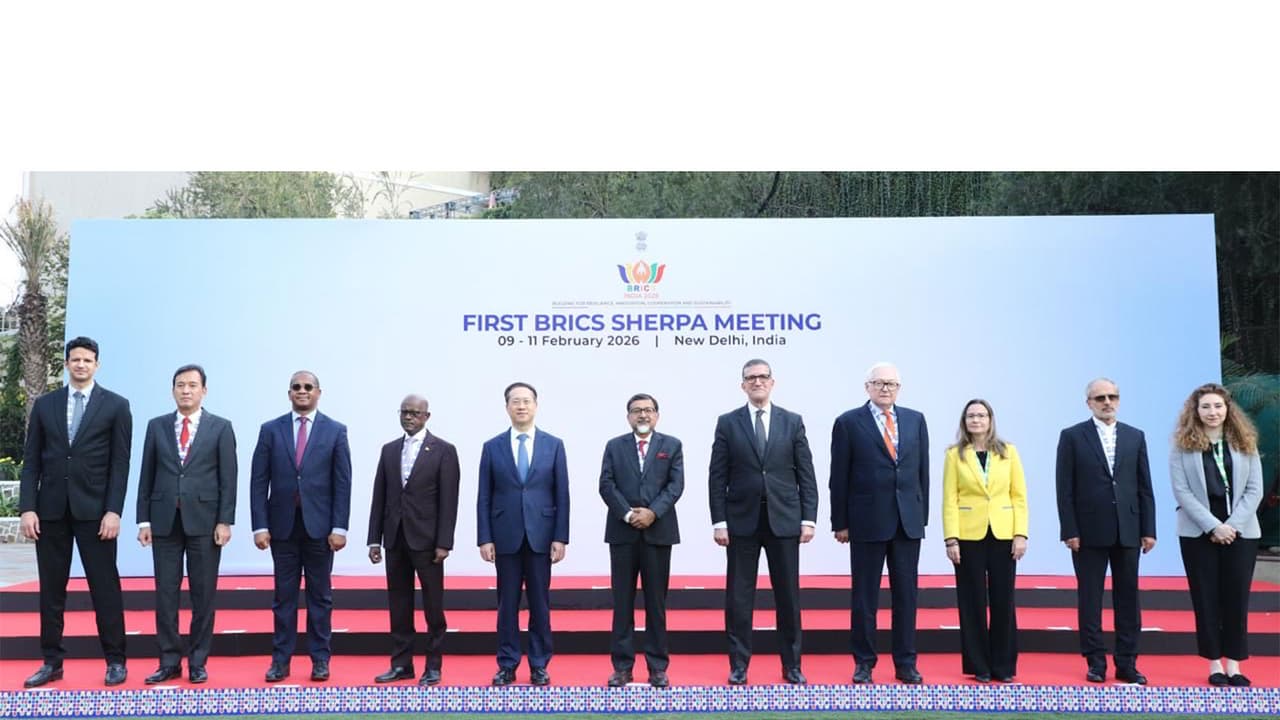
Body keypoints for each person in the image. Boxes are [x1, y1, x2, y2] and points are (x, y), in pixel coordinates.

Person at [18, 336, 133, 688]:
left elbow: (120, 464)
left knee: (105, 588)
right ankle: (51, 662)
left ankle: (115, 661)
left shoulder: (116, 405)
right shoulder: (46, 405)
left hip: (95, 513)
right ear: (66, 363)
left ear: (97, 364)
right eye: (76, 359)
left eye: (87, 360)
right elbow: (31, 461)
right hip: (50, 511)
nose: (81, 364)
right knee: (52, 591)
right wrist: (27, 508)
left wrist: (113, 511)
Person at [709, 359, 818, 686]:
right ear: (742, 385)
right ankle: (739, 665)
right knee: (739, 598)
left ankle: (792, 665)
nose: (757, 382)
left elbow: (806, 473)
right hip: (741, 522)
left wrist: (808, 518)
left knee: (789, 597)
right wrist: (719, 521)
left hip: (784, 520)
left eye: (762, 377)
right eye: (751, 378)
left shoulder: (792, 421)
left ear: (772, 382)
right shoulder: (728, 423)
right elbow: (717, 476)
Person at [136, 364, 237, 685]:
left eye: (192, 385)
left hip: (205, 523)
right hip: (164, 521)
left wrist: (225, 521)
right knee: (165, 594)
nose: (186, 390)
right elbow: (146, 475)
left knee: (203, 595)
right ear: (173, 390)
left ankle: (197, 661)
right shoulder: (156, 426)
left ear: (203, 390)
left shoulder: (221, 427)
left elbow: (229, 479)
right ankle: (168, 661)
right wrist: (143, 519)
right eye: (180, 385)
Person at [829, 361, 929, 685]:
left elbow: (922, 472)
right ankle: (864, 663)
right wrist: (840, 522)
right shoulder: (848, 422)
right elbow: (838, 477)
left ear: (899, 388)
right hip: (866, 522)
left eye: (891, 384)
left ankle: (906, 663)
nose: (886, 389)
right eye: (879, 383)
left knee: (907, 597)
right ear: (867, 387)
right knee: (864, 598)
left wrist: (922, 516)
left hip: (907, 523)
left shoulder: (915, 420)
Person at [250, 371, 352, 683]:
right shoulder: (270, 430)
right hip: (282, 528)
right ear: (289, 393)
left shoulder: (336, 431)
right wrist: (259, 526)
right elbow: (258, 481)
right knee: (284, 598)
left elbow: (342, 483)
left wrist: (340, 527)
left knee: (320, 598)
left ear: (319, 392)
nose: (302, 391)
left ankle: (320, 660)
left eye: (308, 387)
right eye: (296, 387)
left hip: (320, 529)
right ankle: (280, 661)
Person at [1055, 377, 1156, 684]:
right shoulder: (1072, 436)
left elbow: (1144, 486)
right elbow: (1064, 488)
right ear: (1089, 403)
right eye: (1100, 398)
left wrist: (1148, 529)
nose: (1107, 402)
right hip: (1087, 531)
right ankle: (1095, 661)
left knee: (1128, 598)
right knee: (1090, 598)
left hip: (1128, 529)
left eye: (1112, 396)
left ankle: (1127, 662)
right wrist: (1069, 529)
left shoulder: (1135, 436)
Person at [1169, 383, 1264, 687]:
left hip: (1241, 532)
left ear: (1228, 409)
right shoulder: (1182, 447)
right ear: (1195, 411)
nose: (1213, 412)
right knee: (1206, 598)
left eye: (1218, 406)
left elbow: (1255, 490)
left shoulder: (1245, 442)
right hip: (1198, 533)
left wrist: (1232, 525)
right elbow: (1182, 492)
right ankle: (1214, 665)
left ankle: (1234, 664)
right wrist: (1214, 526)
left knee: (1236, 598)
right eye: (1206, 406)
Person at [476, 382, 569, 686]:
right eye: (515, 401)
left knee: (540, 604)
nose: (521, 406)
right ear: (507, 407)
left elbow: (562, 494)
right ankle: (507, 664)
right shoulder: (492, 447)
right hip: (505, 537)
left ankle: (539, 664)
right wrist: (485, 537)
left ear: (536, 406)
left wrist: (560, 537)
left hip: (542, 536)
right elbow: (484, 496)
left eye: (526, 401)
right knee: (507, 605)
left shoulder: (554, 445)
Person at [367, 394, 461, 686]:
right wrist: (374, 540)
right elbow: (379, 496)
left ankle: (433, 666)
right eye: (404, 412)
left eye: (415, 413)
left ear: (426, 416)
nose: (408, 417)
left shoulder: (444, 450)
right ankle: (401, 664)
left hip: (428, 542)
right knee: (399, 604)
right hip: (395, 539)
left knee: (433, 606)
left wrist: (444, 542)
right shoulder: (389, 450)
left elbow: (449, 501)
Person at [599, 393, 684, 688]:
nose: (643, 415)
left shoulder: (672, 445)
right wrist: (627, 514)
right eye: (637, 411)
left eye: (648, 410)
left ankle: (657, 667)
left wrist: (652, 513)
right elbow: (606, 485)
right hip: (622, 534)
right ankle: (622, 667)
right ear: (628, 417)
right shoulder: (614, 446)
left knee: (656, 604)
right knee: (622, 603)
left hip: (658, 533)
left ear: (657, 415)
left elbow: (675, 486)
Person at [941, 399, 1027, 683]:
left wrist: (1020, 533)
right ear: (964, 421)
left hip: (1003, 534)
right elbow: (949, 499)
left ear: (990, 419)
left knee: (1004, 600)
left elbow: (1018, 496)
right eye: (971, 416)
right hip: (968, 535)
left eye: (981, 415)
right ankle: (979, 665)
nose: (976, 420)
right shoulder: (955, 455)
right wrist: (951, 539)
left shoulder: (1008, 452)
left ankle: (1003, 666)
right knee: (972, 601)